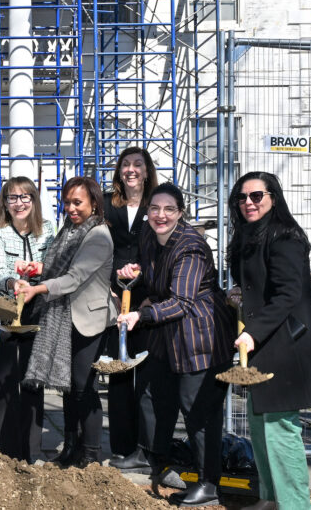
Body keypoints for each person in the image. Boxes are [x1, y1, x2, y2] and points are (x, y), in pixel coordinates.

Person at [117, 182, 235, 507]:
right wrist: (133, 272)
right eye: (154, 209)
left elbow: (182, 300)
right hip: (166, 334)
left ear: (180, 212)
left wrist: (141, 316)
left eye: (169, 209)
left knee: (196, 407)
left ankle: (208, 484)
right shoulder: (148, 235)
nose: (160, 215)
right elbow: (149, 271)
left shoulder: (191, 246)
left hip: (201, 334)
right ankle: (153, 458)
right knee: (151, 392)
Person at [227, 172, 311, 510]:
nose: (249, 202)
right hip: (265, 342)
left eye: (257, 196)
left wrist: (252, 332)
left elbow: (288, 294)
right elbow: (261, 285)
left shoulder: (285, 235)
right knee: (260, 425)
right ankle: (271, 499)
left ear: (273, 196)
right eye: (242, 197)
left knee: (281, 429)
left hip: (288, 346)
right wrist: (240, 294)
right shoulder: (249, 235)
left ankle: (294, 505)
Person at [16, 176, 115, 468]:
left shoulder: (98, 234)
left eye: (78, 202)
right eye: (67, 201)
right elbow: (62, 264)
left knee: (84, 387)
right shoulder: (70, 230)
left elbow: (74, 277)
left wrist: (37, 288)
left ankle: (91, 453)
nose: (71, 208)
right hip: (64, 317)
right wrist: (41, 269)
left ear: (94, 203)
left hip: (89, 320)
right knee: (69, 387)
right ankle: (71, 447)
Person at [0, 176, 54, 463]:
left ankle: (31, 450)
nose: (19, 203)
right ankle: (9, 450)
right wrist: (13, 280)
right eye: (12, 197)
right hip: (6, 308)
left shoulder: (48, 230)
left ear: (34, 200)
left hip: (36, 307)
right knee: (4, 379)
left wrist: (40, 269)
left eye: (25, 197)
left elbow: (55, 265)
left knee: (32, 379)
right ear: (5, 203)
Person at [103, 147, 157, 470]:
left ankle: (147, 448)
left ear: (147, 171)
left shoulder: (158, 205)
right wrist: (115, 277)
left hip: (149, 300)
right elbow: (102, 248)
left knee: (148, 379)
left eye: (138, 164)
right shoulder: (109, 207)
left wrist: (146, 280)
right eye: (126, 165)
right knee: (120, 375)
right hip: (116, 297)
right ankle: (122, 449)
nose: (131, 170)